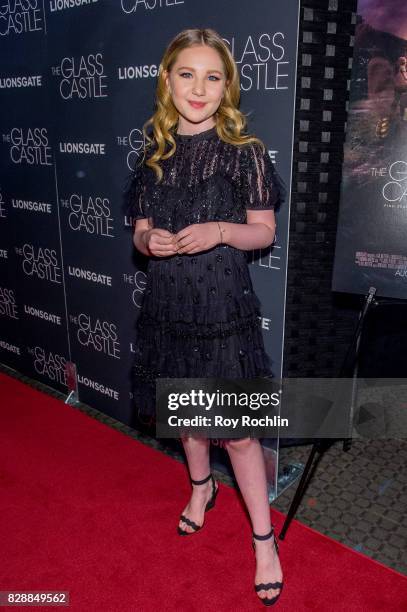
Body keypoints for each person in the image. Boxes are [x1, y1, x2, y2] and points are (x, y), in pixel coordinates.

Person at [124, 28, 284, 606]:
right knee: (185, 415)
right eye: (187, 74)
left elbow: (264, 230)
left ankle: (264, 542)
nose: (199, 87)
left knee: (238, 434)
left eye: (212, 76)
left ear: (227, 86)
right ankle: (200, 491)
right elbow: (139, 231)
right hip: (168, 306)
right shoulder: (153, 157)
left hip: (222, 307)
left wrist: (219, 230)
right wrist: (150, 242)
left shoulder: (246, 153)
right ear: (167, 81)